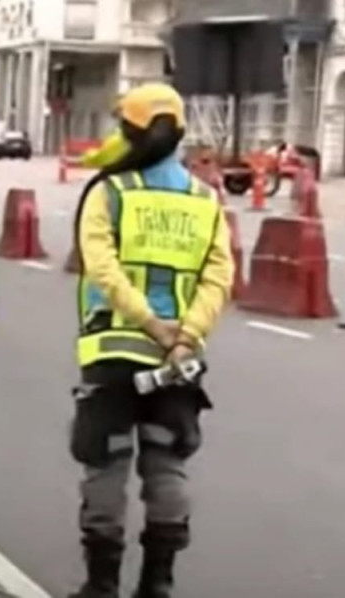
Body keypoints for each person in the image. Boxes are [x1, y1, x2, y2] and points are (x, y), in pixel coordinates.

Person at [68, 83, 234, 598]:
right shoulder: (205, 200)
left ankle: (101, 586)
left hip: (116, 352)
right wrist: (185, 337)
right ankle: (158, 583)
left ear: (128, 133)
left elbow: (101, 267)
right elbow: (219, 277)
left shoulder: (109, 192)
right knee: (167, 466)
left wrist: (148, 321)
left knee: (106, 464)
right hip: (178, 362)